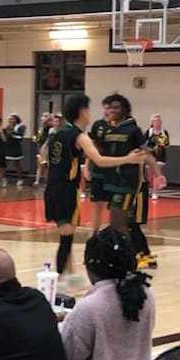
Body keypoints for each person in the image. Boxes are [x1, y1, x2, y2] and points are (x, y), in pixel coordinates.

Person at [42, 95, 147, 293]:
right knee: (66, 238)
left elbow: (45, 155)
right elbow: (100, 160)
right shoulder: (79, 136)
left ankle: (70, 276)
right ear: (81, 111)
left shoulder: (57, 133)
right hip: (66, 189)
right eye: (88, 109)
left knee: (67, 233)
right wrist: (128, 159)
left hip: (52, 188)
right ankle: (61, 283)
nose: (91, 114)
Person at [59, 228, 154, 360]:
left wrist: (64, 324)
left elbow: (66, 356)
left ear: (90, 268)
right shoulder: (147, 294)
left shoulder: (88, 309)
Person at [102, 94, 167, 239]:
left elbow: (147, 154)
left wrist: (158, 173)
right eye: (111, 107)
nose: (112, 111)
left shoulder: (132, 130)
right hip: (111, 181)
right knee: (116, 221)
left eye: (117, 107)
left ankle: (127, 255)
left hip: (126, 183)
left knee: (119, 221)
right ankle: (124, 252)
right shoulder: (108, 129)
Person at [87, 96, 114, 232]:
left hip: (115, 172)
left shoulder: (122, 126)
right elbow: (90, 147)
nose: (107, 111)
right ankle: (94, 235)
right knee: (97, 206)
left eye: (110, 108)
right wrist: (87, 167)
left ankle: (115, 236)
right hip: (98, 171)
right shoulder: (98, 125)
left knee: (115, 208)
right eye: (105, 108)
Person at [143, 114, 170, 200]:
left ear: (161, 122)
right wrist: (150, 149)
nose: (157, 123)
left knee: (155, 173)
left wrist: (160, 145)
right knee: (150, 176)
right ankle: (154, 187)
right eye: (155, 121)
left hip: (160, 157)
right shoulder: (149, 132)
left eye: (158, 121)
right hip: (150, 156)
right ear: (152, 122)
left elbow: (167, 144)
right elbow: (143, 144)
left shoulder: (164, 132)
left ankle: (155, 193)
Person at [5, 114, 26, 186]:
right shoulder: (7, 128)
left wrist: (12, 134)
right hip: (8, 147)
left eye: (12, 119)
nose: (11, 120)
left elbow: (20, 137)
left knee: (17, 165)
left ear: (16, 120)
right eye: (10, 119)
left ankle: (20, 179)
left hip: (16, 148)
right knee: (4, 165)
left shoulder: (20, 127)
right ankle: (2, 179)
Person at [33, 112, 52, 186]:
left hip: (49, 148)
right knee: (40, 165)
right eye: (42, 118)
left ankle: (47, 182)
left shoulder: (51, 128)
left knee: (47, 166)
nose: (43, 120)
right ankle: (37, 181)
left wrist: (50, 116)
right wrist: (37, 136)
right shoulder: (41, 129)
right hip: (41, 149)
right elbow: (35, 138)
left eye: (45, 117)